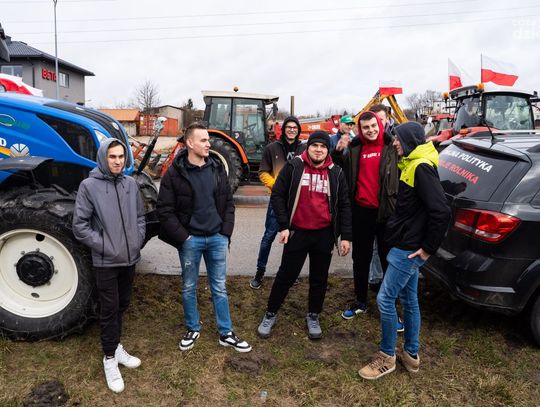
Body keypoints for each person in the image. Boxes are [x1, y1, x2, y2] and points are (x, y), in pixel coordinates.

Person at [358, 121, 450, 380]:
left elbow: (441, 211)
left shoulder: (421, 167)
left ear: (409, 140)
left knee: (385, 299)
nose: (395, 143)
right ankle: (411, 355)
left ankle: (387, 356)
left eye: (398, 139)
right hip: (405, 243)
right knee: (410, 300)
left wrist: (428, 248)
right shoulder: (412, 163)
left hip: (409, 249)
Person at [157, 122, 251, 353]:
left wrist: (225, 233)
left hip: (217, 238)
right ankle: (192, 328)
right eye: (204, 140)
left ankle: (226, 332)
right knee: (189, 286)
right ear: (190, 143)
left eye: (208, 140)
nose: (209, 144)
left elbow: (228, 203)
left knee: (219, 287)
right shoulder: (174, 173)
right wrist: (184, 237)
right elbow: (165, 211)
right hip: (191, 241)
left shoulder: (217, 168)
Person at [257, 131, 352, 340]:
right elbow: (278, 195)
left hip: (324, 234)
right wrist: (284, 226)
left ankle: (313, 315)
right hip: (297, 232)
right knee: (286, 276)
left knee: (319, 278)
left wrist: (346, 236)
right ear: (308, 147)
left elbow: (344, 204)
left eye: (323, 146)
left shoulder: (336, 172)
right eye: (315, 145)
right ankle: (270, 313)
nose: (318, 150)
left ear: (328, 150)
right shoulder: (294, 166)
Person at [73, 139, 145, 394]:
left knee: (122, 304)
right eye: (112, 157)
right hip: (106, 261)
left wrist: (136, 241)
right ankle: (109, 358)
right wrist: (105, 245)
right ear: (104, 158)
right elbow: (80, 226)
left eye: (121, 157)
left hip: (129, 259)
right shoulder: (89, 186)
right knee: (109, 309)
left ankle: (116, 346)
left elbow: (140, 217)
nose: (117, 161)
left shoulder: (130, 184)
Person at [331, 111, 399, 321]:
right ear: (360, 129)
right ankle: (361, 301)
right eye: (366, 127)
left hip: (387, 212)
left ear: (380, 125)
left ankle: (389, 305)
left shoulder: (392, 146)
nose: (370, 130)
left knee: (389, 261)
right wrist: (337, 153)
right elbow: (340, 171)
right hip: (361, 212)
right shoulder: (354, 148)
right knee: (361, 261)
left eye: (373, 126)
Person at [250, 116, 306, 289]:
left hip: (296, 202)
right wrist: (277, 186)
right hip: (278, 201)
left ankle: (289, 274)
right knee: (268, 237)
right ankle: (259, 272)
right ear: (283, 129)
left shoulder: (304, 149)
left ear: (298, 130)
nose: (292, 130)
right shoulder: (271, 148)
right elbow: (263, 172)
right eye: (289, 127)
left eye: (295, 127)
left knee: (292, 240)